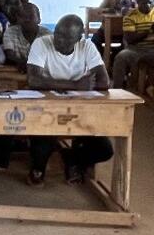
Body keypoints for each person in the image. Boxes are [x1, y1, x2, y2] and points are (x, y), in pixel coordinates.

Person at [26, 15, 113, 186]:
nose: (59, 39)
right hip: (47, 107)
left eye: (66, 37)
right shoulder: (42, 43)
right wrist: (75, 84)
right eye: (57, 33)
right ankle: (38, 168)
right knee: (44, 138)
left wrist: (53, 83)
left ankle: (71, 158)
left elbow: (104, 81)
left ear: (79, 39)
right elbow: (33, 80)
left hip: (80, 109)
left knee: (105, 149)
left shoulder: (87, 46)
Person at [111, 0, 154, 89]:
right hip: (135, 49)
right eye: (143, 3)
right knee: (121, 57)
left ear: (153, 2)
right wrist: (148, 31)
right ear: (137, 2)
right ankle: (116, 90)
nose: (147, 5)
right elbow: (130, 39)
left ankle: (153, 88)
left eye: (150, 3)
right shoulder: (130, 16)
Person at [3, 3, 51, 72]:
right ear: (17, 19)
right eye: (22, 16)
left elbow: (49, 59)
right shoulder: (11, 31)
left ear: (39, 19)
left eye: (31, 16)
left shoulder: (47, 35)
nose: (27, 19)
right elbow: (9, 55)